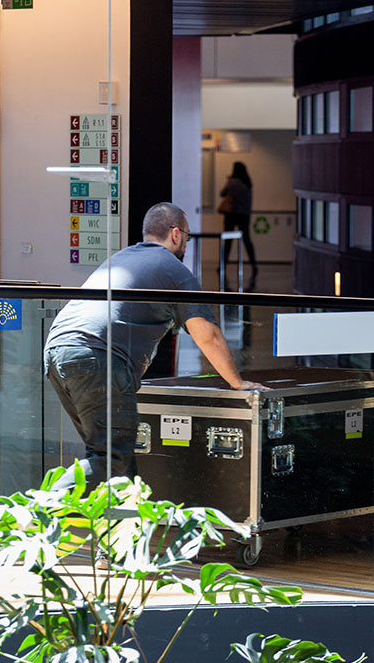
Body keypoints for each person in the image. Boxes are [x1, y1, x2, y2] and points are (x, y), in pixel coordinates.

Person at [44, 202, 266, 483]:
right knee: (111, 460)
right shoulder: (172, 268)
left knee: (112, 458)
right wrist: (238, 383)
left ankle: (127, 526)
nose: (186, 243)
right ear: (176, 234)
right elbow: (207, 335)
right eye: (187, 235)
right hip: (96, 356)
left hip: (58, 350)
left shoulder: (122, 258)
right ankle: (38, 510)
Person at [218, 161, 257, 279]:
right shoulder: (248, 183)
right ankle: (254, 264)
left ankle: (222, 265)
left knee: (228, 241)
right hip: (244, 215)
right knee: (247, 240)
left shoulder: (232, 182)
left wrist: (228, 181)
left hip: (231, 214)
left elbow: (222, 193)